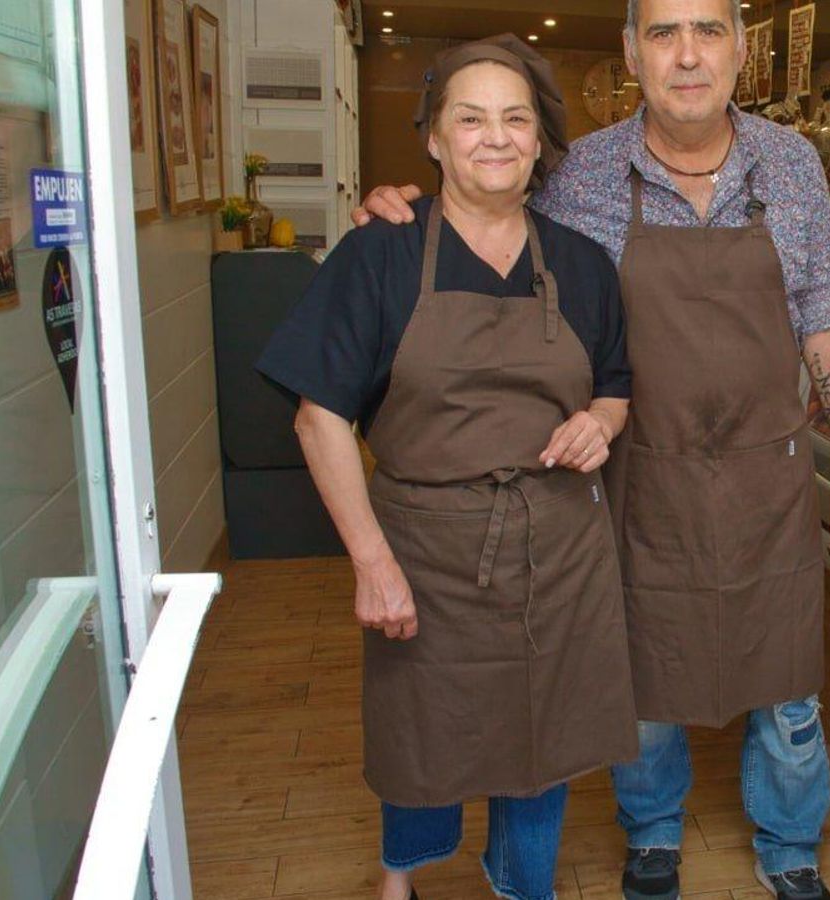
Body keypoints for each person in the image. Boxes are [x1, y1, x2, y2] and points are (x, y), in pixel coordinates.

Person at [354, 3, 830, 898]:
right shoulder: (582, 170)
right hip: (639, 472)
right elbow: (487, 213)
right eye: (665, 33)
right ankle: (651, 835)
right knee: (640, 674)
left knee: (790, 686)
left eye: (708, 31)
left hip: (770, 472)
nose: (687, 55)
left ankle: (791, 845)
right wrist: (401, 209)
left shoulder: (790, 164)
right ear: (633, 52)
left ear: (740, 51)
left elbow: (826, 317)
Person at [258, 35, 638, 900]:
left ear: (540, 142)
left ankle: (522, 886)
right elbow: (319, 416)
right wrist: (371, 562)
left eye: (515, 119)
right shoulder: (382, 253)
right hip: (427, 550)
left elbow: (615, 384)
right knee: (420, 731)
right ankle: (403, 882)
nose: (494, 138)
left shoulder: (579, 264)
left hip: (561, 550)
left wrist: (597, 424)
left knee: (544, 745)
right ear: (433, 138)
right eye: (470, 119)